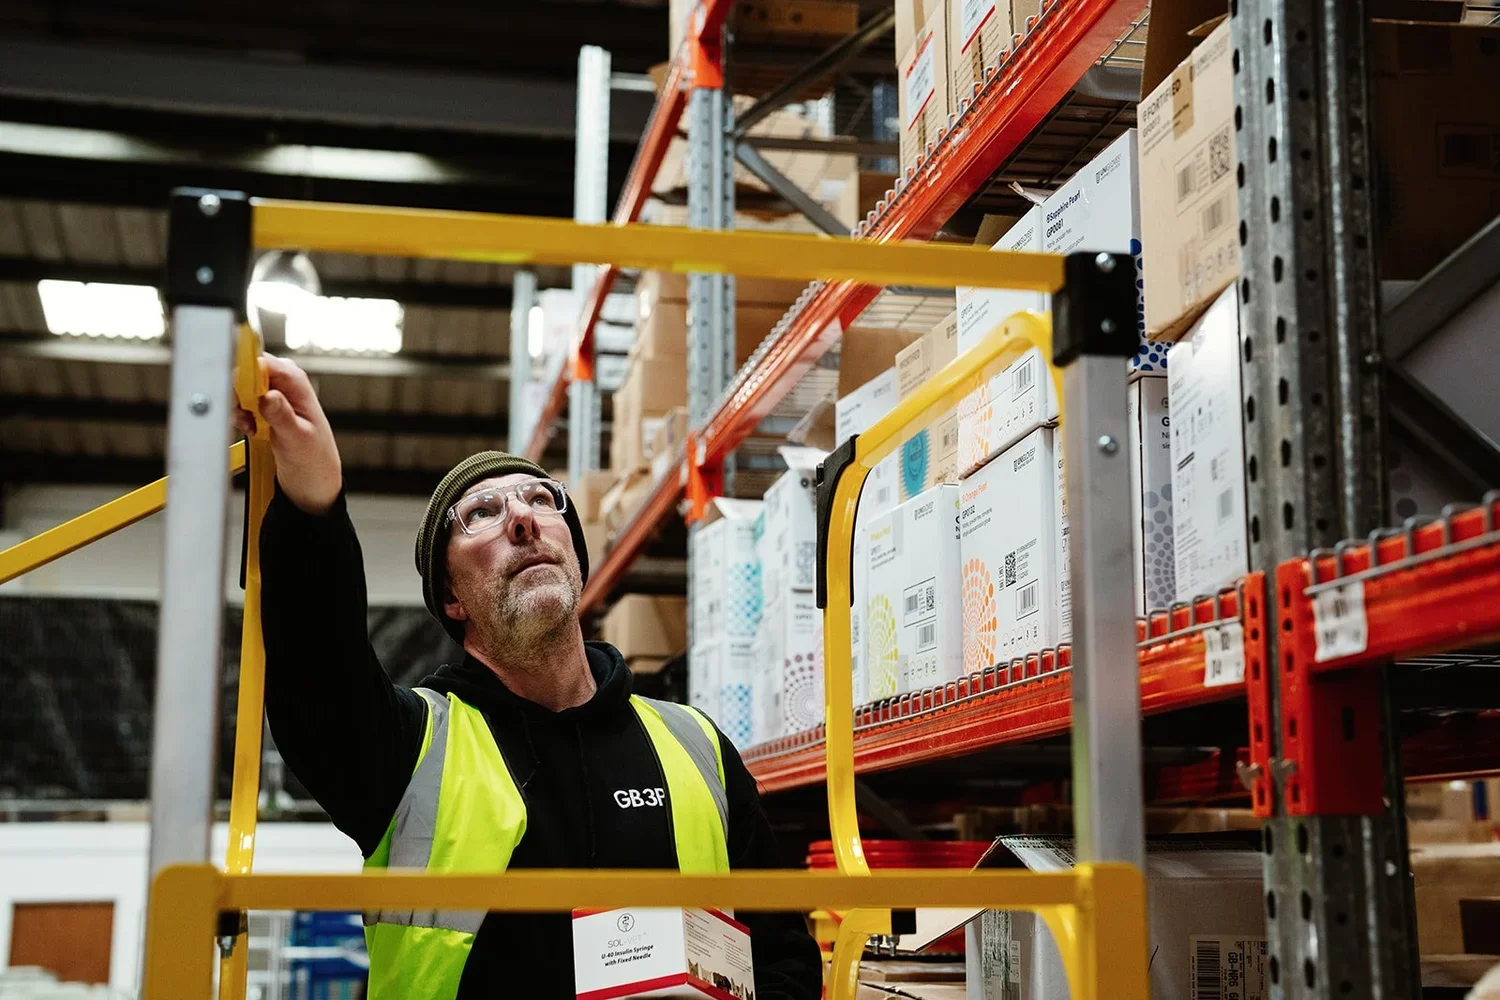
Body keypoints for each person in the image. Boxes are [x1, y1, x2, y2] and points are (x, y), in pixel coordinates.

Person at [238, 355, 822, 1000]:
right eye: (483, 513)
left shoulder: (696, 747)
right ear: (451, 598)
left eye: (543, 502)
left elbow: (783, 958)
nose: (524, 518)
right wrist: (312, 501)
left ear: (572, 553)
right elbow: (317, 668)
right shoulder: (410, 749)